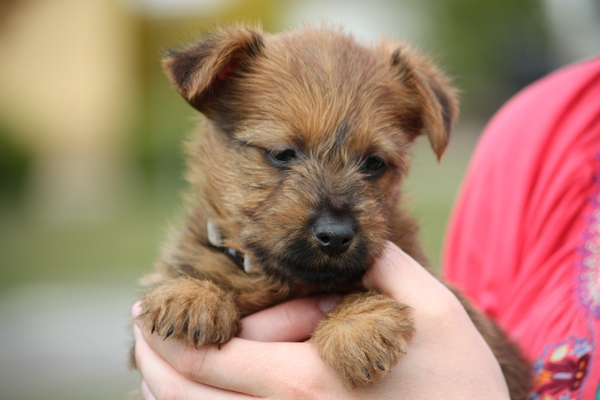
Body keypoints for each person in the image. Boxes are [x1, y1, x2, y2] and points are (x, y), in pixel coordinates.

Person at [132, 56, 600, 399]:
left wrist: (365, 317)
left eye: (373, 164)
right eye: (282, 155)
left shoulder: (409, 295)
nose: (334, 223)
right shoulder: (553, 134)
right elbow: (159, 360)